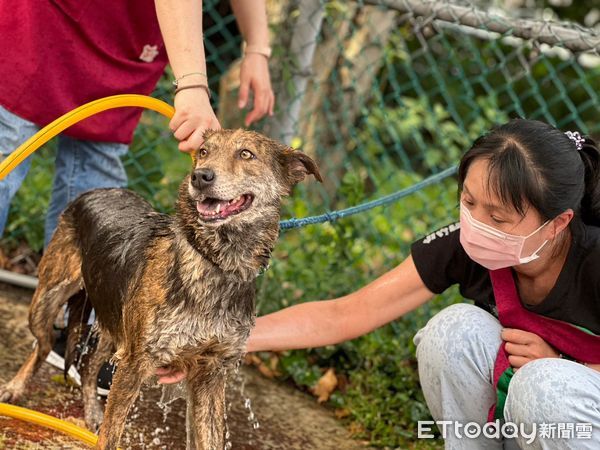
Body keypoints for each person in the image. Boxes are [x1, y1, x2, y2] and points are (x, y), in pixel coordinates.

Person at [156, 119, 600, 449]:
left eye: (498, 216)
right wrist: (218, 340)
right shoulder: (469, 245)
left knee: (546, 386)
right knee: (453, 331)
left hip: (574, 405)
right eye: (468, 201)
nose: (476, 223)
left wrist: (570, 367)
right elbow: (350, 312)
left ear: (558, 223)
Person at [0, 0, 274, 247]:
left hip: (129, 41)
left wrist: (257, 48)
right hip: (46, 23)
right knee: (6, 152)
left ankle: (73, 301)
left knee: (95, 205)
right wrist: (192, 84)